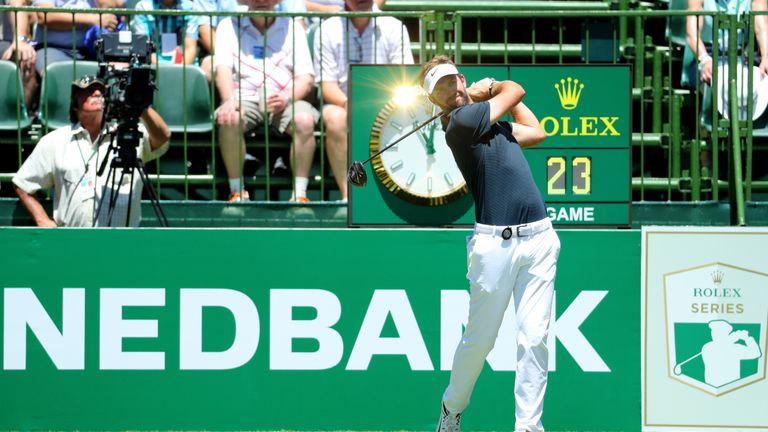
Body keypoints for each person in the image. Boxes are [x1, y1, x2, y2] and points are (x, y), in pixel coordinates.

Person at [419, 55, 560, 432]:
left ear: (462, 79)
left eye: (453, 81)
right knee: (480, 342)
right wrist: (494, 87)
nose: (450, 90)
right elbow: (516, 89)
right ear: (435, 101)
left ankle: (528, 427)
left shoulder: (493, 126)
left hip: (540, 238)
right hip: (495, 246)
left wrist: (493, 96)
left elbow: (538, 131)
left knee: (535, 339)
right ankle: (451, 408)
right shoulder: (459, 124)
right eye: (441, 88)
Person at [12, 74, 171, 227]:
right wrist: (43, 221)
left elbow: (163, 137)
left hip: (122, 244)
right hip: (73, 244)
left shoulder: (130, 135)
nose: (96, 93)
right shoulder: (56, 141)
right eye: (88, 91)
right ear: (74, 103)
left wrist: (139, 105)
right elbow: (23, 183)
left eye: (101, 91)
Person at [214, 0, 318, 202]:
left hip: (285, 98)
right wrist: (228, 100)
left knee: (305, 120)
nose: (261, 0)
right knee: (229, 118)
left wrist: (286, 96)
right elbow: (223, 69)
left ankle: (300, 194)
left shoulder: (293, 28)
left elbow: (306, 77)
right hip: (243, 97)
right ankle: (237, 191)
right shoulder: (228, 25)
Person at [313, 0, 412, 201]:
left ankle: (396, 196)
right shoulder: (326, 29)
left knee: (405, 113)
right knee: (335, 118)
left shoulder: (394, 27)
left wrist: (380, 105)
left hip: (386, 104)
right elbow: (327, 85)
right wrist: (348, 104)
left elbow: (403, 76)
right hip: (341, 103)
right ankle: (349, 196)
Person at [686, 0, 768, 87]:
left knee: (761, 82)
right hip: (708, 55)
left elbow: (762, 29)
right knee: (719, 84)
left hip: (742, 56)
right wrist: (705, 60)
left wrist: (765, 57)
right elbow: (692, 34)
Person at [32, 0, 122, 74]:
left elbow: (113, 8)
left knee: (118, 72)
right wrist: (93, 19)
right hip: (53, 49)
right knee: (56, 75)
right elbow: (46, 16)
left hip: (93, 51)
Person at [131, 0, 200, 65]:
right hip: (153, 66)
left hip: (184, 66)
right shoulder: (143, 7)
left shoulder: (190, 8)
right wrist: (164, 71)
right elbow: (144, 48)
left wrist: (179, 72)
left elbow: (190, 49)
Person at [0, 0, 39, 111]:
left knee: (25, 58)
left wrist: (20, 40)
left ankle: (19, 119)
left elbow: (18, 2)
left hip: (4, 42)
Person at [193, 0, 242, 81]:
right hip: (226, 53)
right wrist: (230, 59)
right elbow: (205, 30)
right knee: (208, 67)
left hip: (265, 53)